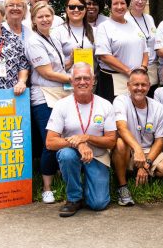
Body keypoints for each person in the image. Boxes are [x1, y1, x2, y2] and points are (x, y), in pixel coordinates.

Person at [46, 63, 117, 216]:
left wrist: (87, 137)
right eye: (78, 78)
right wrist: (79, 144)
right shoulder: (61, 105)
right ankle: (74, 198)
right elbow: (50, 142)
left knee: (98, 204)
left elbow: (111, 141)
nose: (82, 82)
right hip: (72, 154)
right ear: (71, 81)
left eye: (86, 78)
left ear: (93, 80)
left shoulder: (105, 105)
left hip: (97, 156)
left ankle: (88, 187)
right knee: (66, 155)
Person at [26, 2, 71, 204]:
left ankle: (61, 177)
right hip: (43, 96)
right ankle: (46, 188)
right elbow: (46, 72)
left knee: (62, 136)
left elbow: (58, 67)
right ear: (34, 20)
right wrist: (74, 79)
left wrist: (73, 62)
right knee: (50, 141)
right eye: (40, 17)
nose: (45, 19)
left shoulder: (52, 37)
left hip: (59, 93)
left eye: (48, 16)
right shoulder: (33, 41)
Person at [112, 68, 163, 206]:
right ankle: (122, 186)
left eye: (143, 85)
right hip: (129, 149)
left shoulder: (157, 107)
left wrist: (146, 164)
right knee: (120, 143)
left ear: (149, 86)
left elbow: (160, 140)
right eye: (136, 84)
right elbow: (121, 128)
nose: (139, 88)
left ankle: (141, 173)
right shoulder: (120, 101)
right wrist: (137, 149)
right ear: (128, 86)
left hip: (148, 151)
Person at [94, 0, 149, 102]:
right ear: (109, 6)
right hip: (113, 81)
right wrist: (129, 72)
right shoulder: (104, 27)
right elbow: (104, 56)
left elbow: (145, 50)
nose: (119, 7)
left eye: (122, 3)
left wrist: (143, 68)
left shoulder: (134, 25)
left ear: (127, 4)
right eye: (115, 4)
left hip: (136, 80)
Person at [127, 0, 159, 90]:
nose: (140, 1)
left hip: (152, 68)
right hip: (136, 69)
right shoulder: (125, 19)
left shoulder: (149, 18)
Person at [52, 0, 95, 67]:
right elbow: (54, 66)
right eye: (72, 7)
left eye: (80, 7)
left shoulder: (95, 31)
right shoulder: (57, 32)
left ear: (85, 10)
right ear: (66, 9)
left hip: (90, 74)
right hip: (66, 74)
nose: (76, 10)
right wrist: (70, 62)